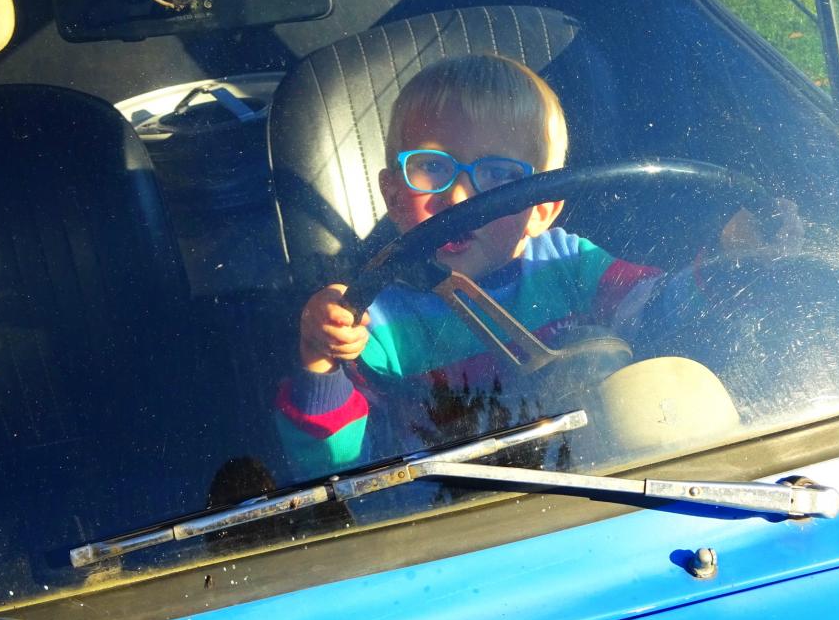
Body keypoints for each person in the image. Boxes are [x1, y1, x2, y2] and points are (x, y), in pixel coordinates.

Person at [275, 54, 797, 477]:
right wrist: (322, 359)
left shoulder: (570, 264)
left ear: (542, 209)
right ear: (393, 195)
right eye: (432, 167)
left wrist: (735, 262)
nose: (459, 198)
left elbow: (658, 310)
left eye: (500, 177)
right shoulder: (375, 323)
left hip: (597, 474)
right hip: (448, 513)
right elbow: (332, 468)